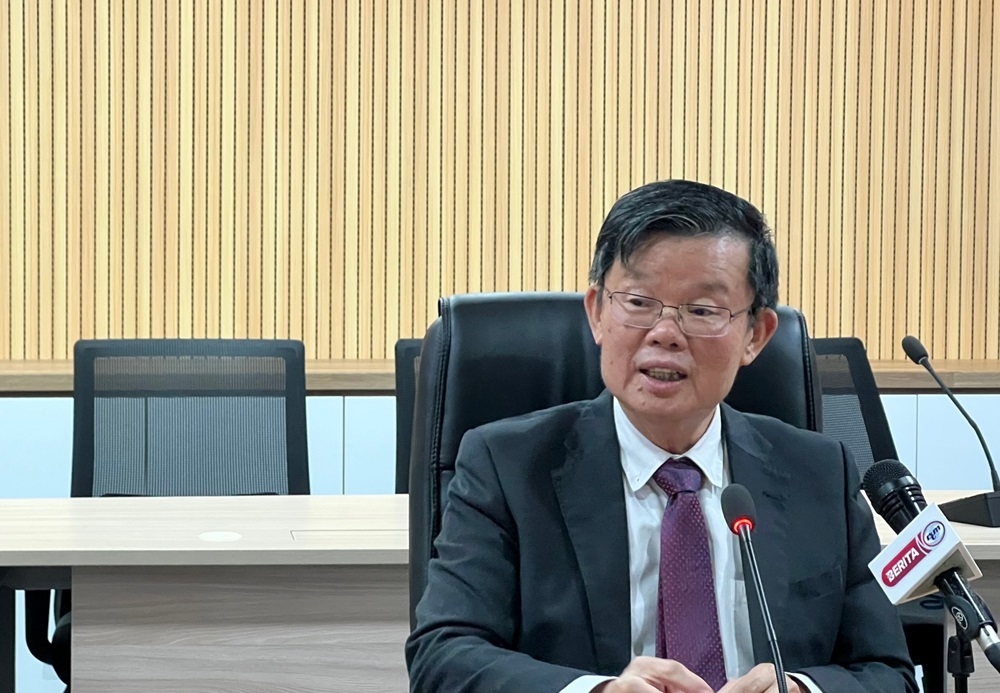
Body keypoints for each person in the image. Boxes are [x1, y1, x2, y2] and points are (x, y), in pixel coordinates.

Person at [406, 180, 917, 693]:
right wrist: (597, 691)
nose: (665, 333)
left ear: (756, 335)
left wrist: (804, 688)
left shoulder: (820, 473)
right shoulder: (507, 467)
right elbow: (443, 657)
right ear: (597, 313)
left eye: (702, 310)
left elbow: (887, 672)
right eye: (638, 301)